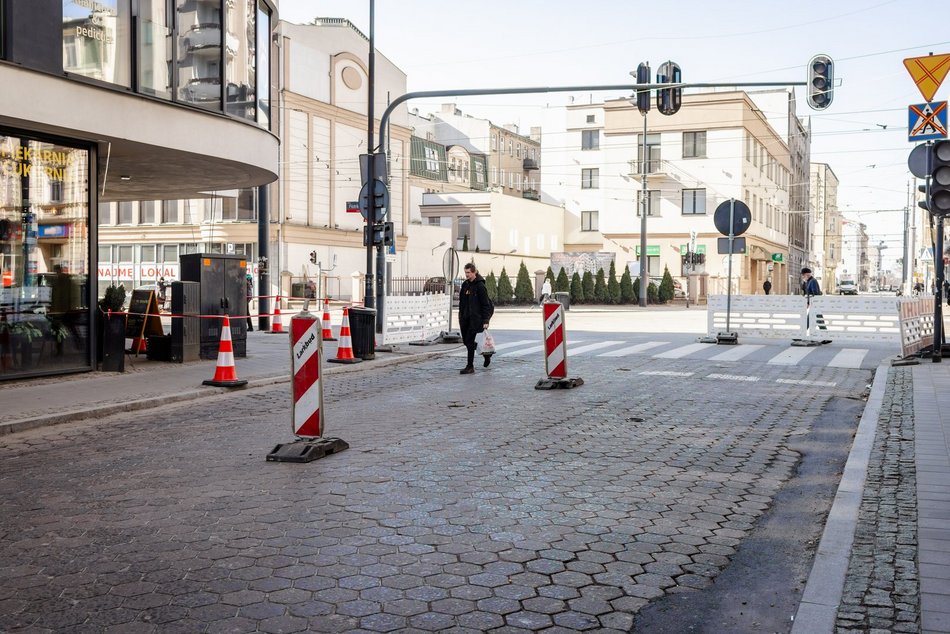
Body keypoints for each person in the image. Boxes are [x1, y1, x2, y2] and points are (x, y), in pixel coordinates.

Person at [458, 262, 493, 374]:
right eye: (465, 272)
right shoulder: (465, 285)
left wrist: (486, 320)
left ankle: (470, 366)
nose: (466, 275)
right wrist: (461, 315)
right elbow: (461, 302)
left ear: (474, 272)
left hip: (476, 319)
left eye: (468, 273)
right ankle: (486, 353)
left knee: (469, 341)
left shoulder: (480, 286)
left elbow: (485, 304)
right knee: (467, 341)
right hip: (465, 318)